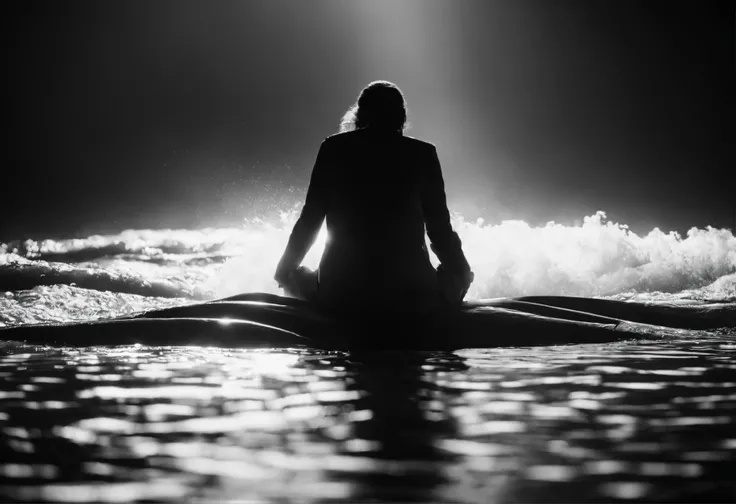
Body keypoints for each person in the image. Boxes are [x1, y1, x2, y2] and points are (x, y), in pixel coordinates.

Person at [274, 80, 473, 315]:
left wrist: (284, 269)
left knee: (295, 275)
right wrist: (462, 273)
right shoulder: (423, 154)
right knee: (458, 274)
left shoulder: (333, 149)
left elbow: (310, 220)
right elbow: (440, 230)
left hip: (342, 290)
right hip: (410, 292)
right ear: (401, 116)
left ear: (360, 114)